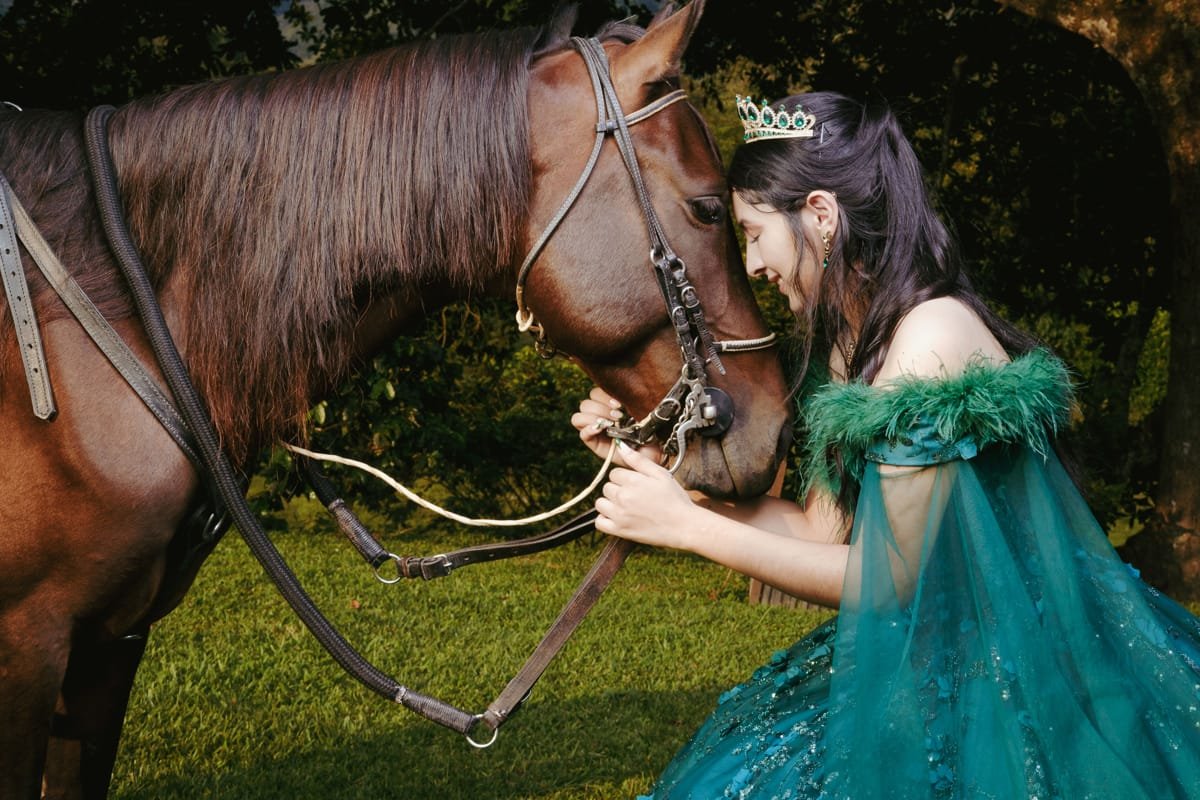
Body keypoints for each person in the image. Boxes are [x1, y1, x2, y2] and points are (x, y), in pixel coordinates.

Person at [572, 91, 1200, 798]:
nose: (750, 265)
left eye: (752, 233)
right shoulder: (851, 345)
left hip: (1021, 675)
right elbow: (818, 527)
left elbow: (888, 579)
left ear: (820, 214)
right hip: (931, 659)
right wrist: (658, 476)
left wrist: (685, 527)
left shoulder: (930, 337)